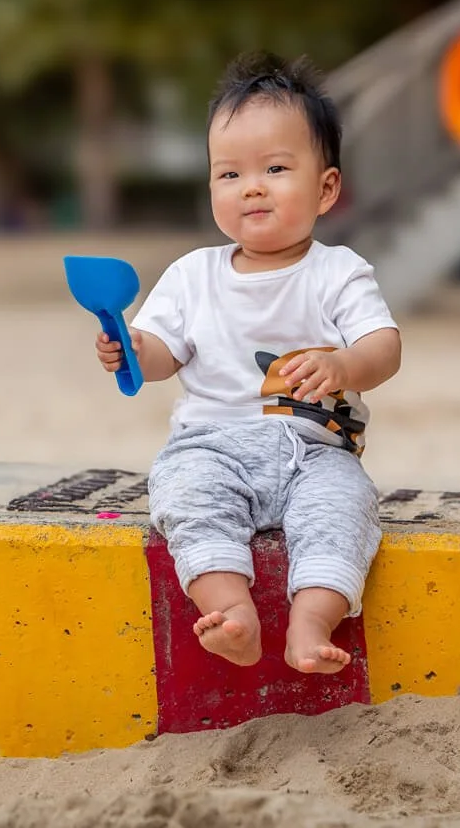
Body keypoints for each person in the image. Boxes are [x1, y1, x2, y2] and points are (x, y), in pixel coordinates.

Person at [95, 51, 402, 674]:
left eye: (276, 168)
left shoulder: (337, 271)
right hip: (211, 445)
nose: (251, 186)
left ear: (326, 188)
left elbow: (384, 348)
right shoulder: (191, 275)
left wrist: (344, 366)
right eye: (229, 174)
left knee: (344, 510)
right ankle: (233, 613)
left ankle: (310, 624)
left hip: (316, 450)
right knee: (185, 499)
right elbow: (160, 355)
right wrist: (127, 346)